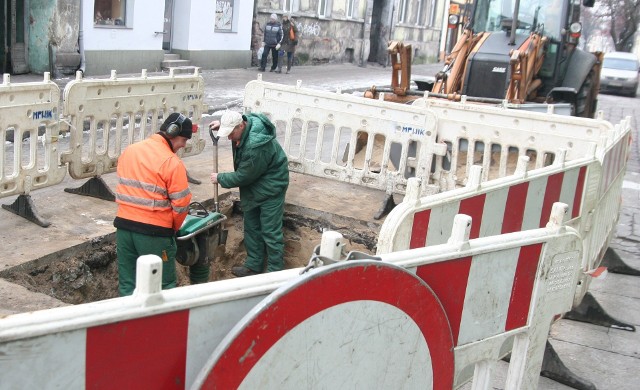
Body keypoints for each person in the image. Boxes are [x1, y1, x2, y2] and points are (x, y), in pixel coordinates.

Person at [114, 112, 194, 296]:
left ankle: (129, 322)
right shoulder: (171, 162)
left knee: (128, 284)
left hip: (124, 228)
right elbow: (181, 204)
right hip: (154, 233)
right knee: (163, 287)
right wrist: (172, 228)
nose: (183, 145)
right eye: (183, 140)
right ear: (173, 134)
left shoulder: (131, 151)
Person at [209, 111, 289, 277]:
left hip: (271, 187)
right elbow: (243, 115)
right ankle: (254, 265)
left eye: (231, 133)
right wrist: (223, 125)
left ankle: (275, 274)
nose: (229, 138)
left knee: (270, 231)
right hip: (255, 184)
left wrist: (220, 178)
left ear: (241, 126)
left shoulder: (255, 146)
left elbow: (243, 176)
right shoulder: (246, 123)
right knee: (251, 227)